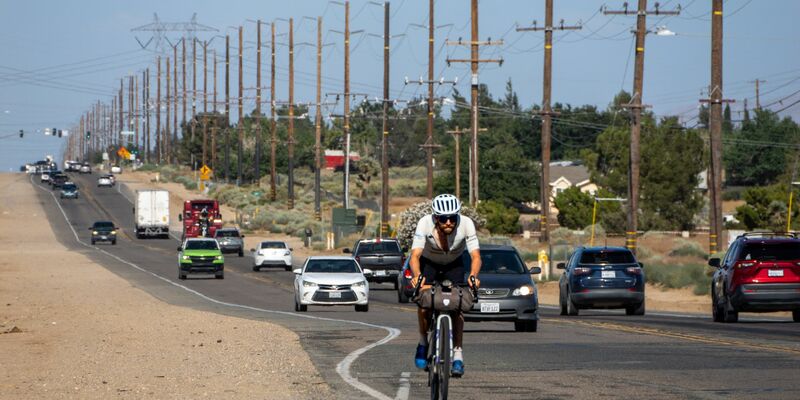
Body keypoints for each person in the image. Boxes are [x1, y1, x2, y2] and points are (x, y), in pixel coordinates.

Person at [409, 193, 481, 377]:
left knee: (457, 306)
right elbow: (415, 256)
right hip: (429, 263)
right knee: (424, 303)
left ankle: (457, 356)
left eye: (452, 218)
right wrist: (417, 276)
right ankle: (423, 343)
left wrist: (473, 276)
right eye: (443, 218)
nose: (448, 222)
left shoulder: (466, 224)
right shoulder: (424, 223)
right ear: (435, 218)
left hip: (454, 264)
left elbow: (475, 256)